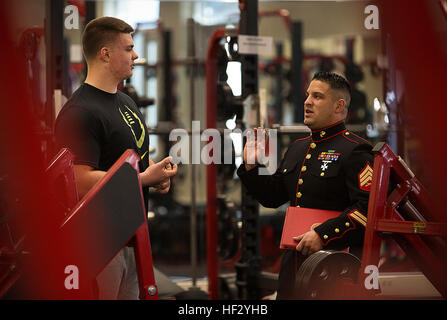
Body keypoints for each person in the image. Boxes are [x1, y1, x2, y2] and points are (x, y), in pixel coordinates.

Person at [55, 16, 178, 299]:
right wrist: (144, 178)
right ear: (105, 53)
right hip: (99, 242)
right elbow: (80, 180)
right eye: (128, 48)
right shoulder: (80, 112)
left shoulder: (126, 102)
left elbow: (132, 163)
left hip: (132, 236)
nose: (136, 55)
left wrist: (154, 178)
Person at [237, 71, 374, 299]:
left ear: (339, 106)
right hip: (294, 264)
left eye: (318, 96)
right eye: (308, 95)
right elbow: (273, 196)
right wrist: (252, 167)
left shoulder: (355, 150)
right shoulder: (298, 148)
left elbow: (367, 209)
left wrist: (323, 234)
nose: (307, 102)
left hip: (335, 265)